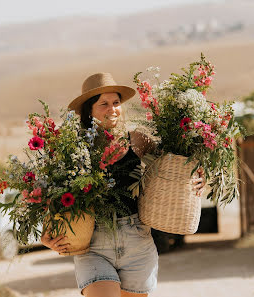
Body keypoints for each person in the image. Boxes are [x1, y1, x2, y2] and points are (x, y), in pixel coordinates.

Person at [41, 73, 206, 297]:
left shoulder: (136, 140)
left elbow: (173, 165)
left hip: (137, 240)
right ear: (89, 111)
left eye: (116, 102)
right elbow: (52, 194)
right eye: (104, 104)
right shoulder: (72, 149)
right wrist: (46, 234)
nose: (113, 109)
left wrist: (196, 177)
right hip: (94, 245)